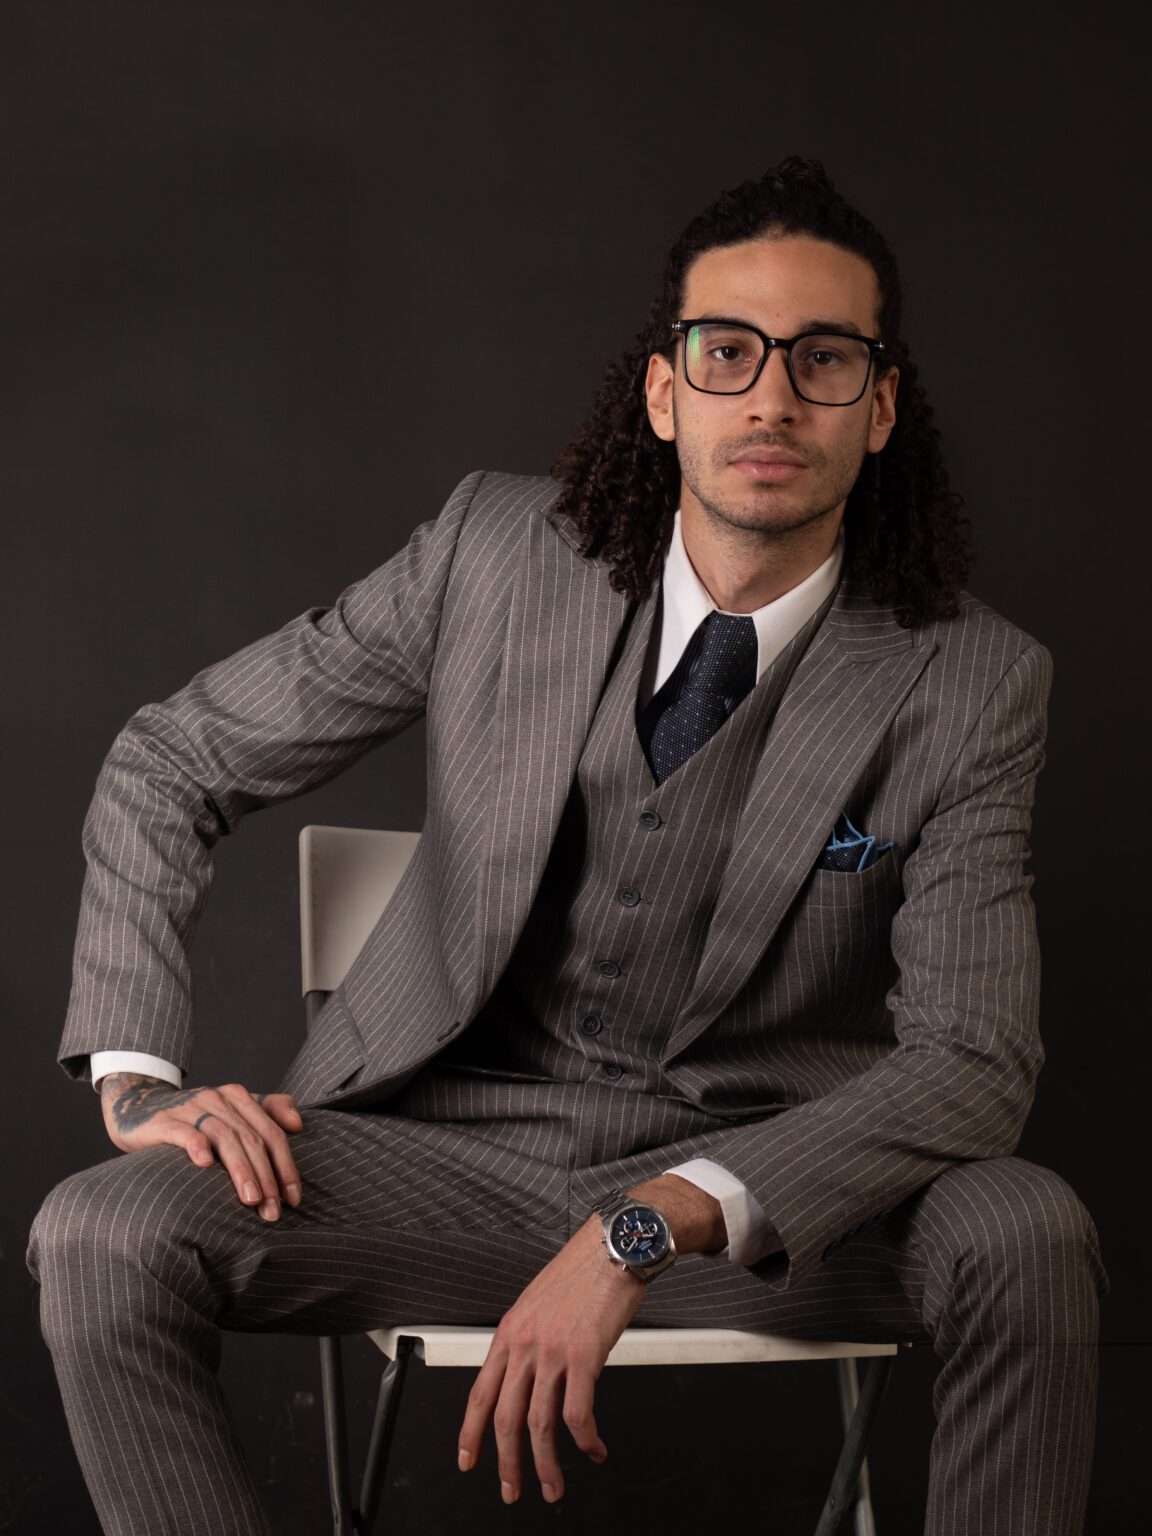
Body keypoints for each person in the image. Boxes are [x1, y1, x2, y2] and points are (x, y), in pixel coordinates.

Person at [27, 155, 1108, 1535]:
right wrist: (137, 1081)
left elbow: (973, 1065)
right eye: (728, 352)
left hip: (767, 1199)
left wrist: (645, 1225)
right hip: (444, 1172)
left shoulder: (972, 680)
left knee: (1026, 1230)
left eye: (825, 358)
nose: (772, 399)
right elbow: (171, 758)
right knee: (102, 1231)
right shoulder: (493, 556)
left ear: (881, 406)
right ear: (665, 391)